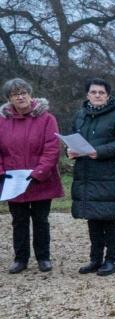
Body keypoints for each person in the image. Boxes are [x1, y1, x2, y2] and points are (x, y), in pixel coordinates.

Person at [70, 78, 115, 277]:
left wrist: (98, 151)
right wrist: (70, 151)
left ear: (108, 95)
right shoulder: (80, 115)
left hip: (110, 175)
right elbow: (74, 138)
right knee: (92, 217)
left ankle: (111, 259)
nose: (97, 95)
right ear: (87, 94)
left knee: (109, 218)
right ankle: (95, 258)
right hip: (87, 174)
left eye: (101, 92)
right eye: (93, 92)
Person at [0, 78, 63, 274]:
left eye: (23, 92)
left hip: (40, 179)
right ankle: (20, 259)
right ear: (9, 98)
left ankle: (43, 257)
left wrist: (39, 173)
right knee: (18, 221)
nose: (20, 97)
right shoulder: (2, 121)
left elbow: (52, 148)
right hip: (13, 180)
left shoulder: (47, 119)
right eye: (15, 94)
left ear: (30, 94)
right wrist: (2, 172)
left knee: (40, 220)